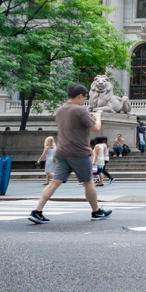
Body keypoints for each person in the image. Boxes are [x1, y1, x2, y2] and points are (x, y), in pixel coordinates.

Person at [29, 83, 112, 224]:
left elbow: (74, 122)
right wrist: (97, 117)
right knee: (88, 182)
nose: (85, 100)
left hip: (62, 151)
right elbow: (96, 128)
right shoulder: (81, 110)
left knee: (55, 182)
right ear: (80, 96)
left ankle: (37, 211)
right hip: (79, 152)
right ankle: (96, 211)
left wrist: (88, 115)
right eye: (85, 97)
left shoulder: (60, 110)